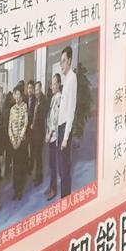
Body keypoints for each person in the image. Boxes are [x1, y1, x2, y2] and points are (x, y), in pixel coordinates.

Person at [53, 47, 80, 200]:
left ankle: (65, 199)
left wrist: (65, 137)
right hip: (60, 128)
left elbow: (71, 110)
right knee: (61, 168)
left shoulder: (72, 78)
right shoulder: (66, 79)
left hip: (65, 129)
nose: (61, 65)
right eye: (60, 62)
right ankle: (64, 198)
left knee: (64, 169)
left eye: (63, 61)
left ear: (69, 61)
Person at [7, 85, 30, 201]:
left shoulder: (25, 106)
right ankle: (15, 190)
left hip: (22, 142)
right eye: (15, 95)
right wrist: (12, 140)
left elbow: (25, 124)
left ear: (22, 96)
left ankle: (20, 189)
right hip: (14, 143)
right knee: (15, 167)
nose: (17, 97)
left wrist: (20, 139)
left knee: (21, 166)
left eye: (19, 95)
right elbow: (9, 126)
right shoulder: (12, 109)